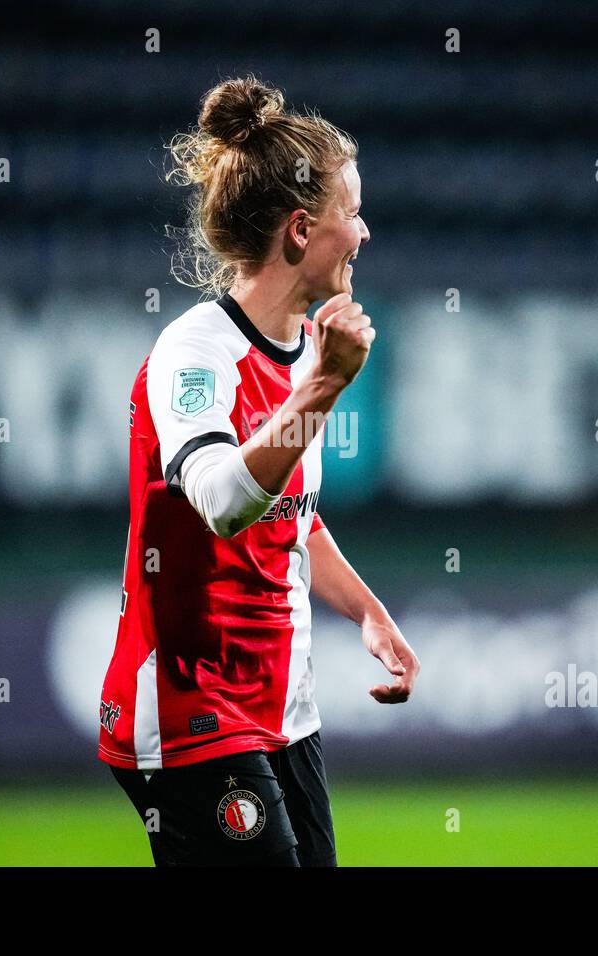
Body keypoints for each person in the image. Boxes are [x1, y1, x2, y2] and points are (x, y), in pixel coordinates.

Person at [98, 75, 420, 867]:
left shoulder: (303, 349)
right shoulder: (196, 351)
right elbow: (220, 501)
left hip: (283, 708)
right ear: (303, 229)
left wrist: (369, 613)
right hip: (188, 707)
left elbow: (292, 516)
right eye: (352, 211)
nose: (365, 231)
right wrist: (325, 387)